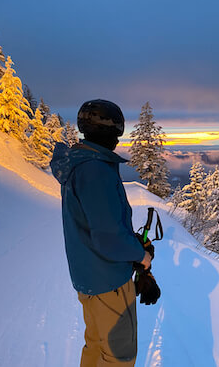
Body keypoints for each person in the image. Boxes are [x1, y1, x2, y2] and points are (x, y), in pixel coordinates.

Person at [51, 99, 152, 366]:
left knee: (96, 345)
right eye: (116, 132)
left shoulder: (80, 163)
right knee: (119, 356)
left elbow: (99, 225)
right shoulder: (96, 170)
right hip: (108, 282)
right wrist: (141, 255)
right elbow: (109, 239)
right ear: (112, 132)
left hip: (89, 277)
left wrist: (132, 244)